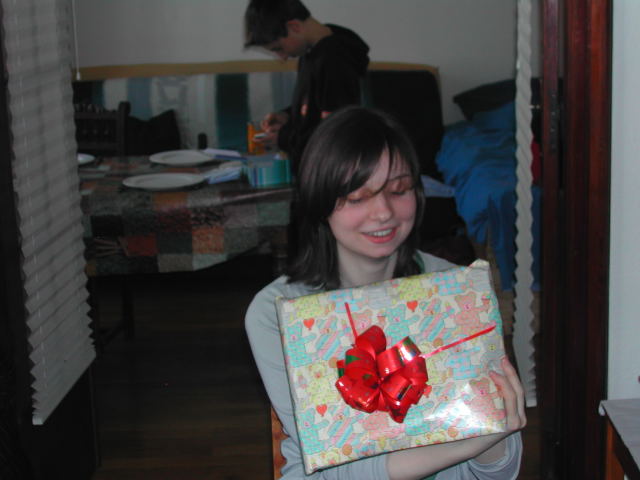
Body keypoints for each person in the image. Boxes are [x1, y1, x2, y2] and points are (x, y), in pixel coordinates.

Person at [245, 106, 526, 479]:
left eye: (398, 190)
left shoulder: (457, 292)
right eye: (358, 197)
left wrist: (495, 438)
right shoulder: (278, 312)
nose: (383, 212)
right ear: (319, 201)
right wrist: (470, 442)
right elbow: (335, 471)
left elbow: (498, 471)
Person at [243, 0, 370, 171]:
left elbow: (335, 132)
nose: (282, 58)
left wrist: (284, 137)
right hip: (313, 168)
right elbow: (313, 106)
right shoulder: (311, 53)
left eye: (278, 48)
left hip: (326, 171)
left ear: (294, 26)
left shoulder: (334, 58)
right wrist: (288, 115)